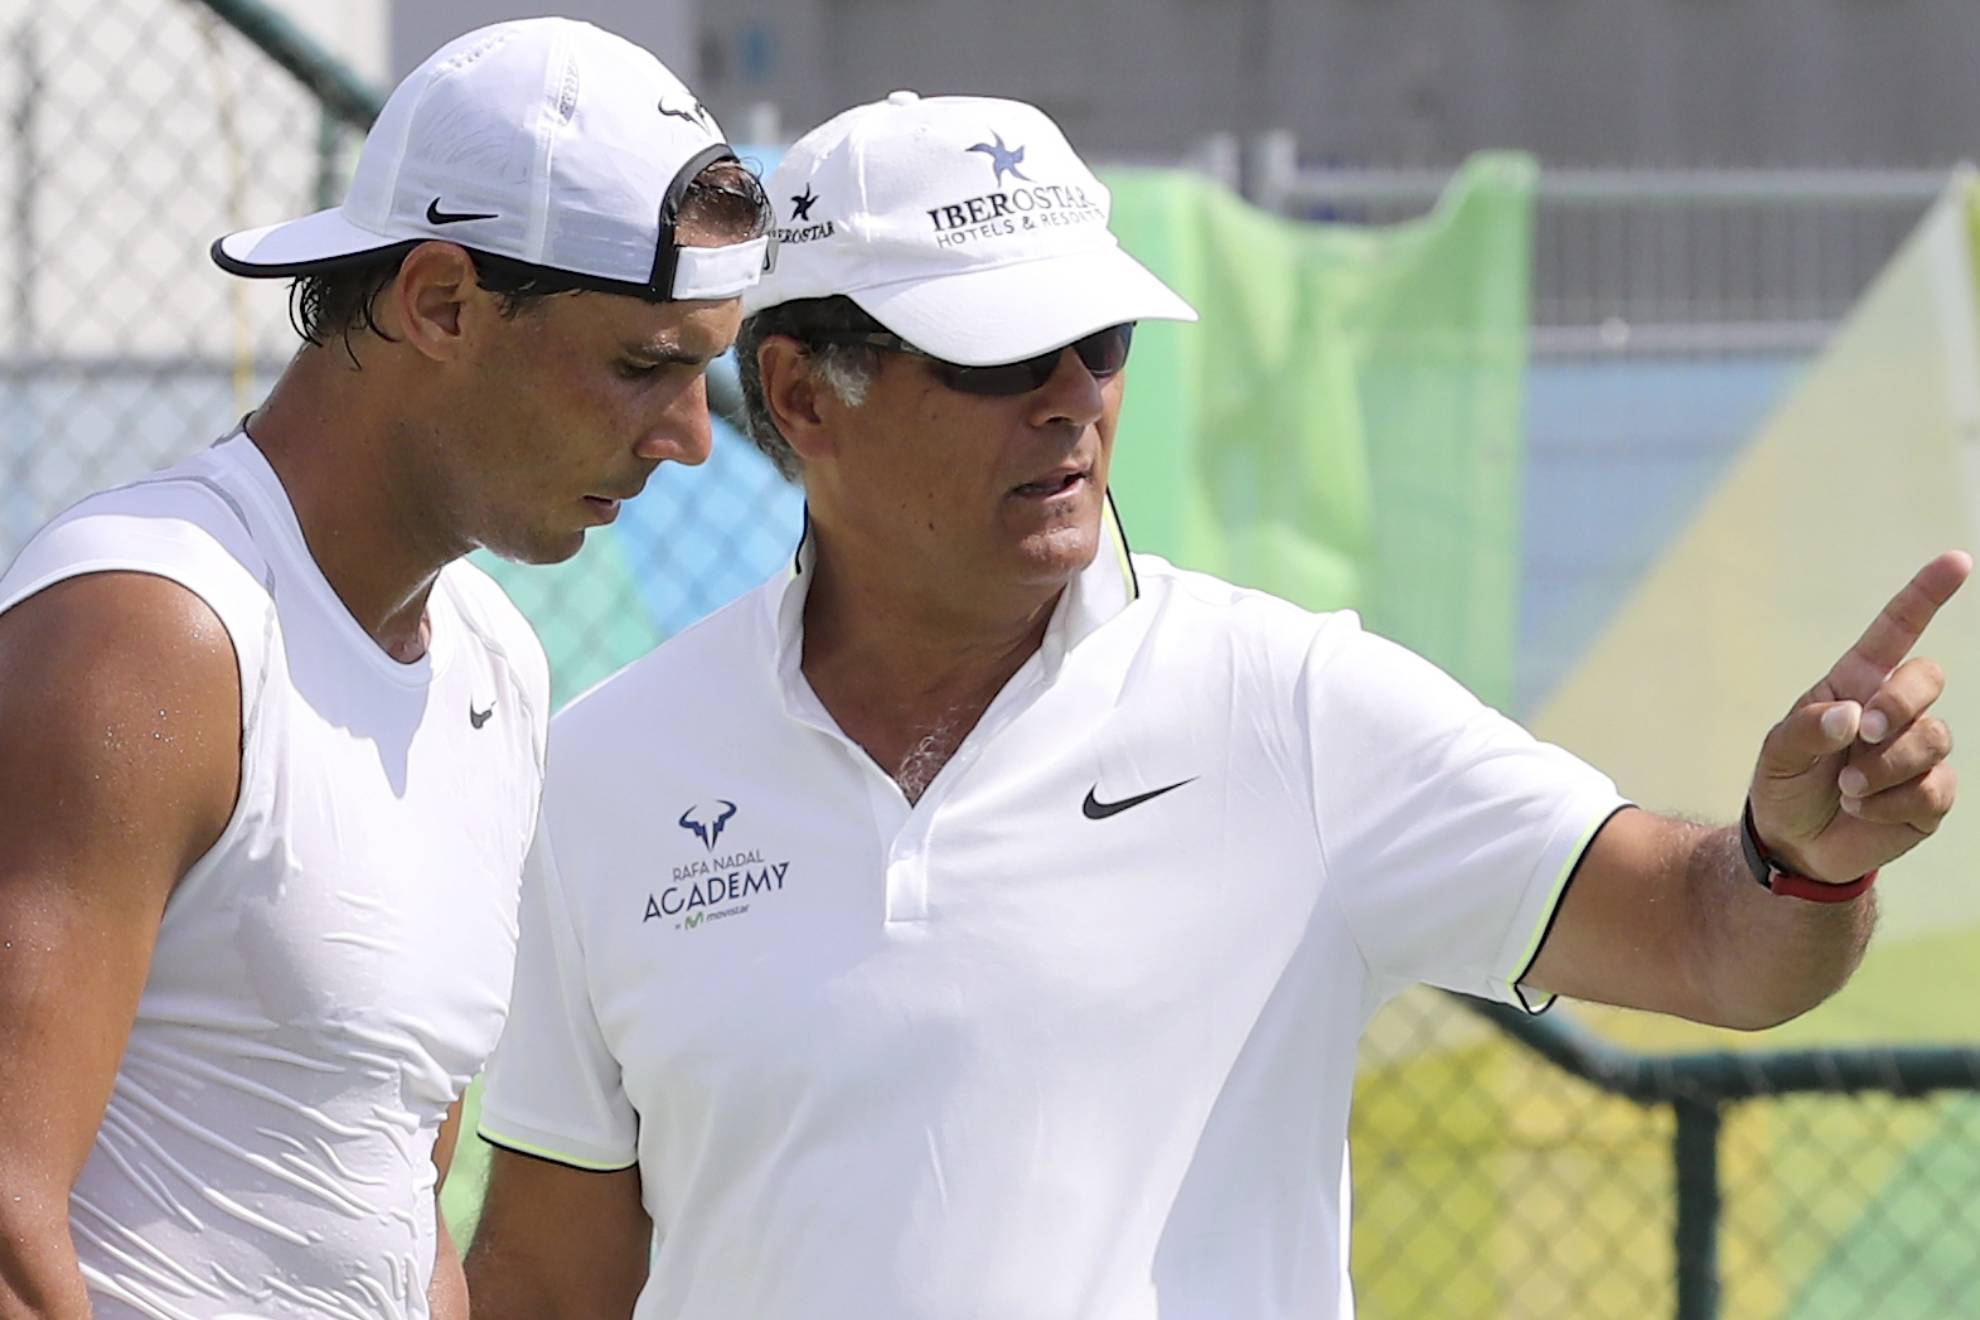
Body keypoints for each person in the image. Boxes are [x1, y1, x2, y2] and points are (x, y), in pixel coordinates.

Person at [461, 91, 1961, 1319]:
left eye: (1102, 341)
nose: (1075, 394)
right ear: (798, 396)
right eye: (1000, 354)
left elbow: (1719, 944)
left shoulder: (1292, 705)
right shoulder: (605, 772)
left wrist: (1801, 854)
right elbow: (547, 1281)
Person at [0, 18, 770, 1320]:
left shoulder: (497, 666)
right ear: (439, 303)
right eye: (646, 365)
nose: (693, 438)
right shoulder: (151, 628)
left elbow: (397, 1213)